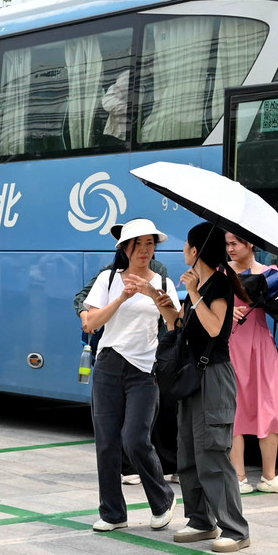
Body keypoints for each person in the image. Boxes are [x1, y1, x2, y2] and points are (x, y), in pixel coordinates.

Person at [157, 222, 251, 553]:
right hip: (193, 377)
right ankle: (200, 520)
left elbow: (214, 328)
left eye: (186, 245)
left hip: (215, 377)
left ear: (195, 251)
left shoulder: (220, 285)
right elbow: (179, 326)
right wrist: (160, 301)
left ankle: (236, 530)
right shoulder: (197, 286)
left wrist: (194, 292)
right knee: (188, 452)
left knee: (213, 453)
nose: (183, 250)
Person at [83, 218, 179, 532]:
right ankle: (113, 513)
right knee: (107, 443)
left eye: (150, 244)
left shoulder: (162, 282)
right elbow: (91, 323)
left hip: (144, 370)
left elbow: (174, 323)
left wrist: (154, 295)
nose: (144, 250)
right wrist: (122, 298)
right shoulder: (108, 279)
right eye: (137, 244)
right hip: (108, 365)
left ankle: (162, 499)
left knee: (136, 439)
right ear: (125, 248)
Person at [224, 233, 278, 496]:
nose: (230, 248)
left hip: (260, 343)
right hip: (232, 343)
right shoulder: (221, 273)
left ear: (250, 244)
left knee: (268, 404)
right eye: (227, 244)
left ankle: (269, 476)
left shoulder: (271, 274)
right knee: (233, 407)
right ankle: (238, 476)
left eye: (234, 243)